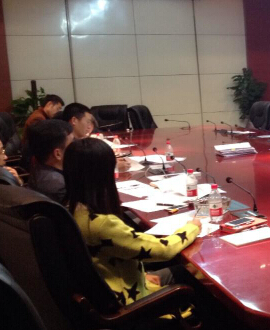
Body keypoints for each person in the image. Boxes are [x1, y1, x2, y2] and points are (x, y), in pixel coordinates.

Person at [64, 137, 201, 306]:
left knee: (184, 270)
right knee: (197, 275)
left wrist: (142, 275)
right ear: (102, 174)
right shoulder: (102, 224)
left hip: (114, 284)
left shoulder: (72, 208)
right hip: (132, 303)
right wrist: (192, 227)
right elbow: (163, 250)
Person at [26, 120, 74, 203]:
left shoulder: (38, 164)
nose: (77, 146)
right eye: (72, 143)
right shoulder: (58, 185)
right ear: (58, 154)